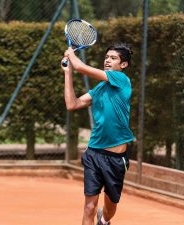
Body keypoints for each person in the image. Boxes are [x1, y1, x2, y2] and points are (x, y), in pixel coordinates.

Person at [61, 43, 135, 225]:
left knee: (110, 208)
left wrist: (71, 56)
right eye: (106, 57)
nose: (107, 60)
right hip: (94, 153)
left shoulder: (122, 80)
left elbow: (80, 66)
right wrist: (67, 73)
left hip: (116, 158)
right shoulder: (99, 89)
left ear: (123, 65)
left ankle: (104, 220)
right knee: (89, 207)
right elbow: (73, 104)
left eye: (113, 58)